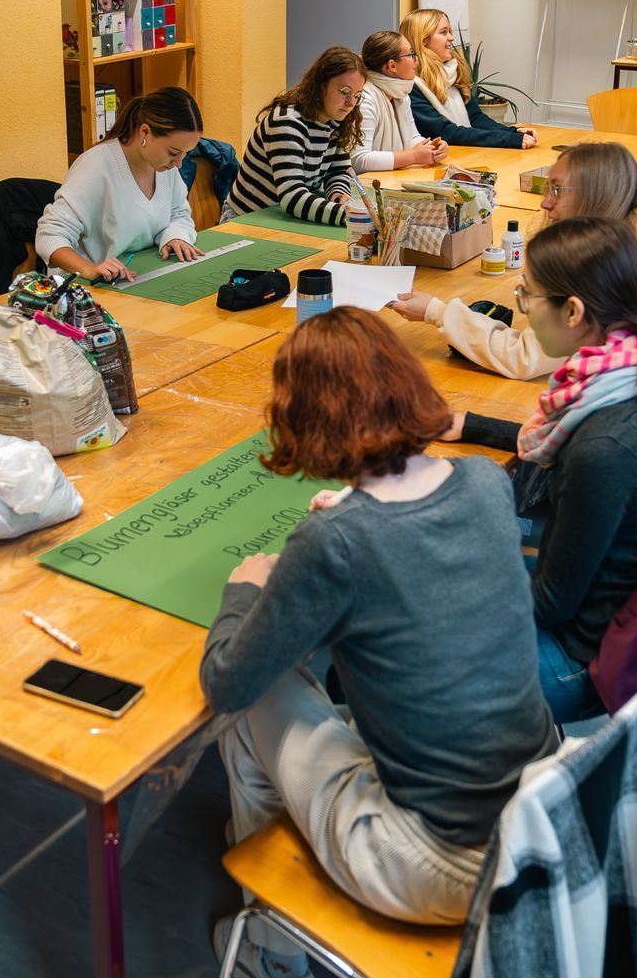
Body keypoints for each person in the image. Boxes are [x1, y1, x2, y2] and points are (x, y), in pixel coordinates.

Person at [201, 308, 554, 976]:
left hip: (437, 863)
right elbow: (415, 557)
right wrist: (351, 522)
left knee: (249, 704)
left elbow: (227, 682)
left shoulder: (335, 543)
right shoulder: (485, 482)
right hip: (536, 820)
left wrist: (244, 592)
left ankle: (270, 950)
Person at [451, 218, 637, 723]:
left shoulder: (606, 447)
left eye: (527, 295)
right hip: (610, 608)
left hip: (581, 658)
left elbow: (552, 602)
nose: (523, 308)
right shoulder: (636, 367)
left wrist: (444, 603)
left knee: (389, 642)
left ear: (573, 311)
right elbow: (568, 444)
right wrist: (472, 425)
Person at [386, 141, 637, 465]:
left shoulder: (611, 272)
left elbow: (525, 358)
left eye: (557, 190)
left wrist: (437, 312)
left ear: (596, 197)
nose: (545, 203)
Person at [35, 87, 202, 283]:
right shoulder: (97, 165)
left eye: (185, 153)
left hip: (135, 276)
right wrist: (90, 269)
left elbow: (178, 213)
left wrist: (175, 236)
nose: (179, 163)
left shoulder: (164, 166)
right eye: (173, 152)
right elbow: (49, 236)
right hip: (87, 286)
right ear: (145, 132)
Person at [220, 47, 364, 226]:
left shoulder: (336, 119)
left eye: (357, 95)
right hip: (246, 220)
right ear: (320, 85)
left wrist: (338, 194)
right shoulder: (287, 122)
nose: (351, 103)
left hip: (285, 217)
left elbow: (339, 170)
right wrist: (349, 215)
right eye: (344, 91)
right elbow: (292, 196)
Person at [400, 8, 537, 150]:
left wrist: (513, 132)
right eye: (444, 32)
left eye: (450, 32)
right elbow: (446, 133)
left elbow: (476, 119)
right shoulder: (411, 87)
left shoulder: (453, 75)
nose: (451, 38)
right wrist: (508, 139)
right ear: (424, 41)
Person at [352, 29, 447, 173]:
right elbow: (359, 159)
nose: (416, 60)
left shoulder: (401, 96)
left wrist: (433, 148)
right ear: (392, 66)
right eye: (411, 54)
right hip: (367, 183)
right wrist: (413, 156)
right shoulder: (365, 99)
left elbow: (412, 139)